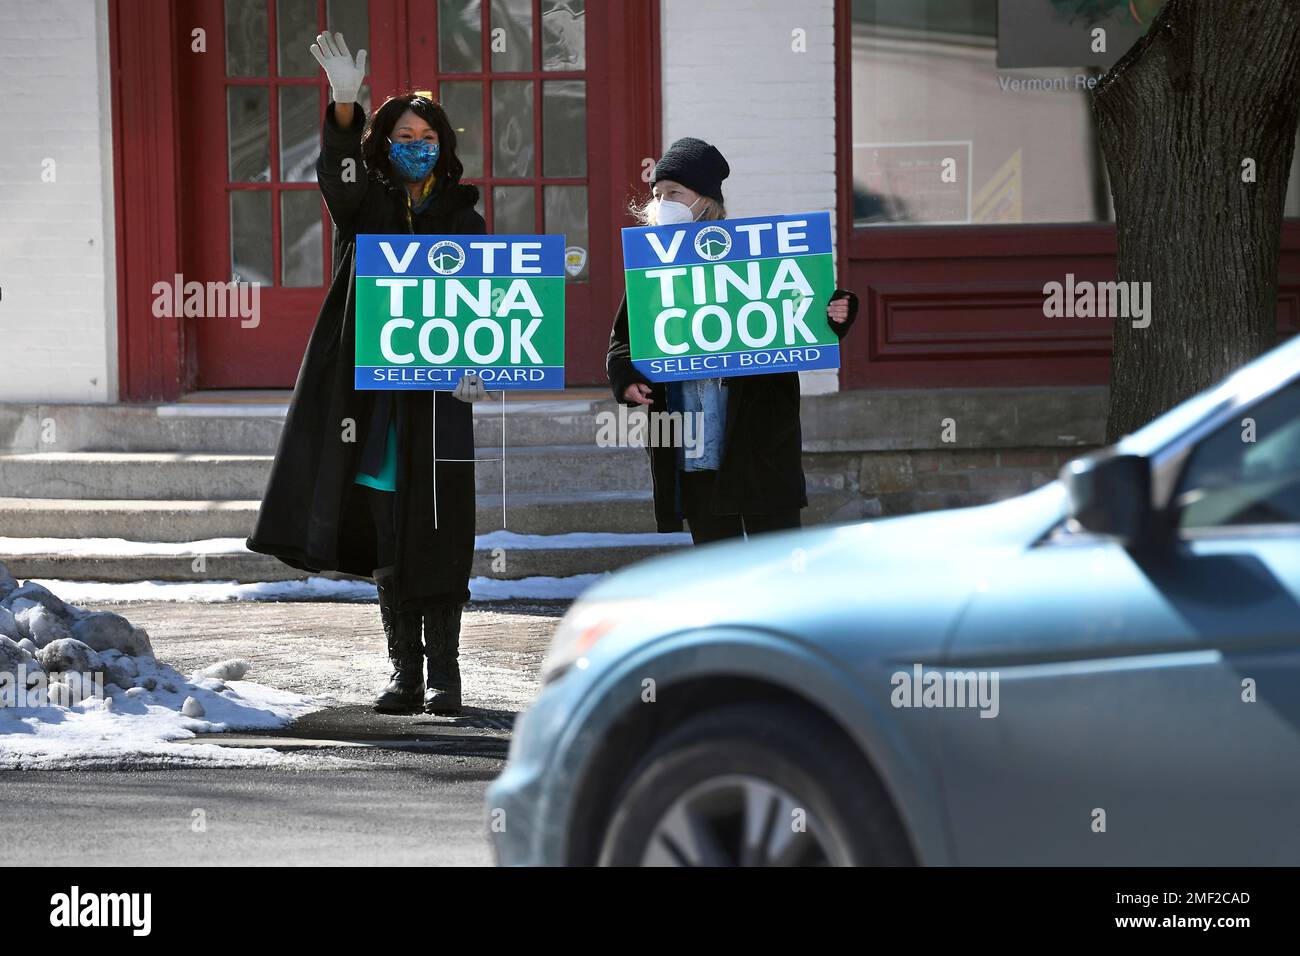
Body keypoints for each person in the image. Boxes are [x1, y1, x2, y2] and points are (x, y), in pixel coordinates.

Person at [247, 32, 488, 715]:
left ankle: (446, 674)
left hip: (441, 405)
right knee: (389, 528)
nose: (416, 144)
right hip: (376, 405)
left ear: (443, 144)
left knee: (442, 529)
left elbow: (491, 308)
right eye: (402, 135)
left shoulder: (466, 221)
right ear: (384, 147)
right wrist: (346, 108)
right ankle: (403, 674)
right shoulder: (367, 212)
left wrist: (482, 367)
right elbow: (338, 184)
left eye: (427, 134)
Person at [606, 137, 859, 545]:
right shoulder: (653, 265)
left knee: (773, 554)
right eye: (657, 194)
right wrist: (626, 377)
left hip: (756, 435)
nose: (663, 202)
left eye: (675, 193)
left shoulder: (758, 253)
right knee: (716, 561)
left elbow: (803, 308)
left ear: (705, 200)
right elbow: (624, 339)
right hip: (691, 437)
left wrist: (838, 312)